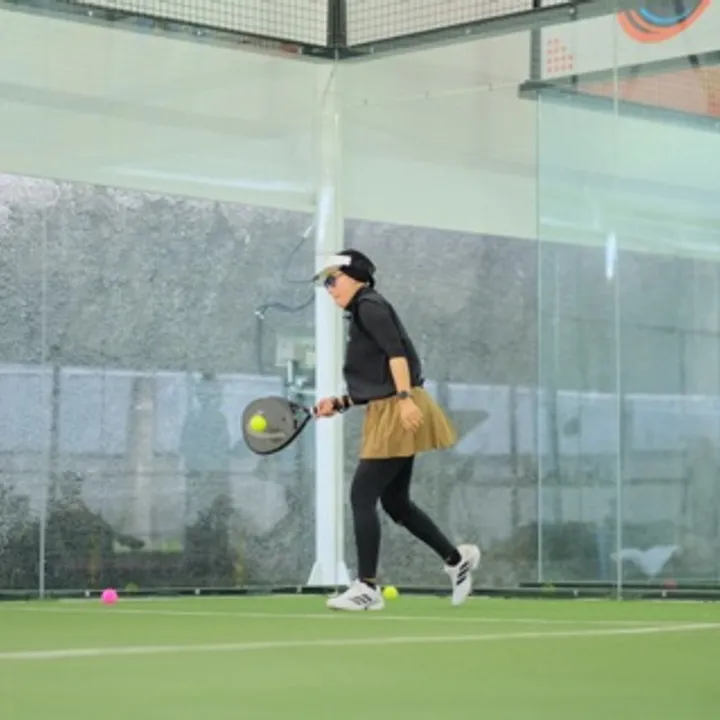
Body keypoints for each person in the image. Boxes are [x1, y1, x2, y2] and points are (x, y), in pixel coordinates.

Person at [313, 249, 480, 611]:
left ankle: (366, 587)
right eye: (325, 283)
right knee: (395, 502)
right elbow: (379, 376)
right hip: (389, 406)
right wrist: (341, 402)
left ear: (355, 276)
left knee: (362, 495)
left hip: (398, 408)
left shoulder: (369, 305)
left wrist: (404, 399)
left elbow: (396, 355)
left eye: (333, 280)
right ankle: (456, 560)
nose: (329, 289)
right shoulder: (362, 311)